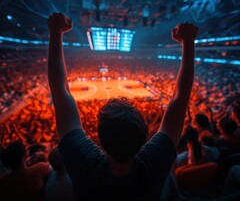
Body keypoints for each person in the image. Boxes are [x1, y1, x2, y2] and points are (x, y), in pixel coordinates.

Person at [47, 12, 198, 201]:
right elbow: (180, 97)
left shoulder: (84, 164)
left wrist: (55, 32)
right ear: (145, 135)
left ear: (98, 137)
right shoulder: (155, 164)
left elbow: (61, 91)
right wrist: (189, 42)